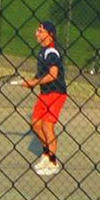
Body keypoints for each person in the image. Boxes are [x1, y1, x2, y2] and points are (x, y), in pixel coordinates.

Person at [19, 21, 68, 176]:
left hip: (56, 93)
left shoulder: (51, 52)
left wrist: (34, 82)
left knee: (47, 126)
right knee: (35, 124)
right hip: (45, 93)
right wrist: (32, 81)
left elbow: (53, 74)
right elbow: (41, 74)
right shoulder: (42, 51)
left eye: (40, 31)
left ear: (50, 34)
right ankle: (46, 154)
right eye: (37, 30)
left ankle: (53, 162)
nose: (37, 33)